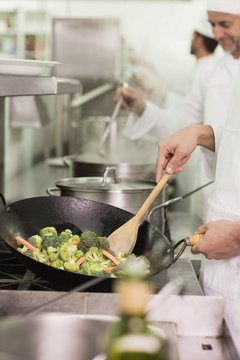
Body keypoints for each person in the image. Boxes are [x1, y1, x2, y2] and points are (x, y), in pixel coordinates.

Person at [155, 0, 240, 352]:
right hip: (223, 269)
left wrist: (239, 236)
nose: (216, 35)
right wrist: (202, 133)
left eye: (226, 23)